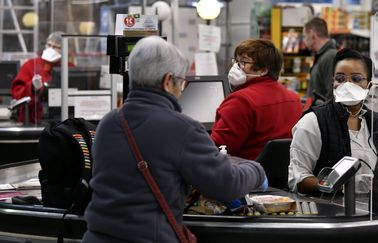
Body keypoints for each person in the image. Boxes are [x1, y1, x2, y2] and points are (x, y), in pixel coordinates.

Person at [82, 36, 267, 243]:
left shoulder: (109, 122)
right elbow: (227, 184)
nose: (181, 89)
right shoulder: (182, 128)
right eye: (182, 82)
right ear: (168, 81)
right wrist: (257, 171)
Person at [288, 48, 378, 195]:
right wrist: (341, 186)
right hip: (332, 210)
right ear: (333, 82)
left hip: (374, 210)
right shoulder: (313, 122)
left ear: (369, 85)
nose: (347, 85)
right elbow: (299, 180)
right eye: (340, 79)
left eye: (356, 79)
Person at [211, 39, 303, 160]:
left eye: (243, 62)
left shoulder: (240, 101)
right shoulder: (294, 99)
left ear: (263, 70)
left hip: (245, 174)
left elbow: (217, 148)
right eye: (236, 61)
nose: (236, 67)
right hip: (282, 175)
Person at [11, 31, 66, 124]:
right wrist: (32, 88)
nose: (51, 49)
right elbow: (17, 94)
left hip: (61, 120)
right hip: (33, 121)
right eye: (49, 45)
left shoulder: (68, 67)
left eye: (56, 47)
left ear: (64, 49)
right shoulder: (30, 65)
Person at [303, 17, 338, 100]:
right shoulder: (322, 56)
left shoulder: (330, 57)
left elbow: (331, 96)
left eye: (304, 36)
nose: (304, 41)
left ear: (312, 35)